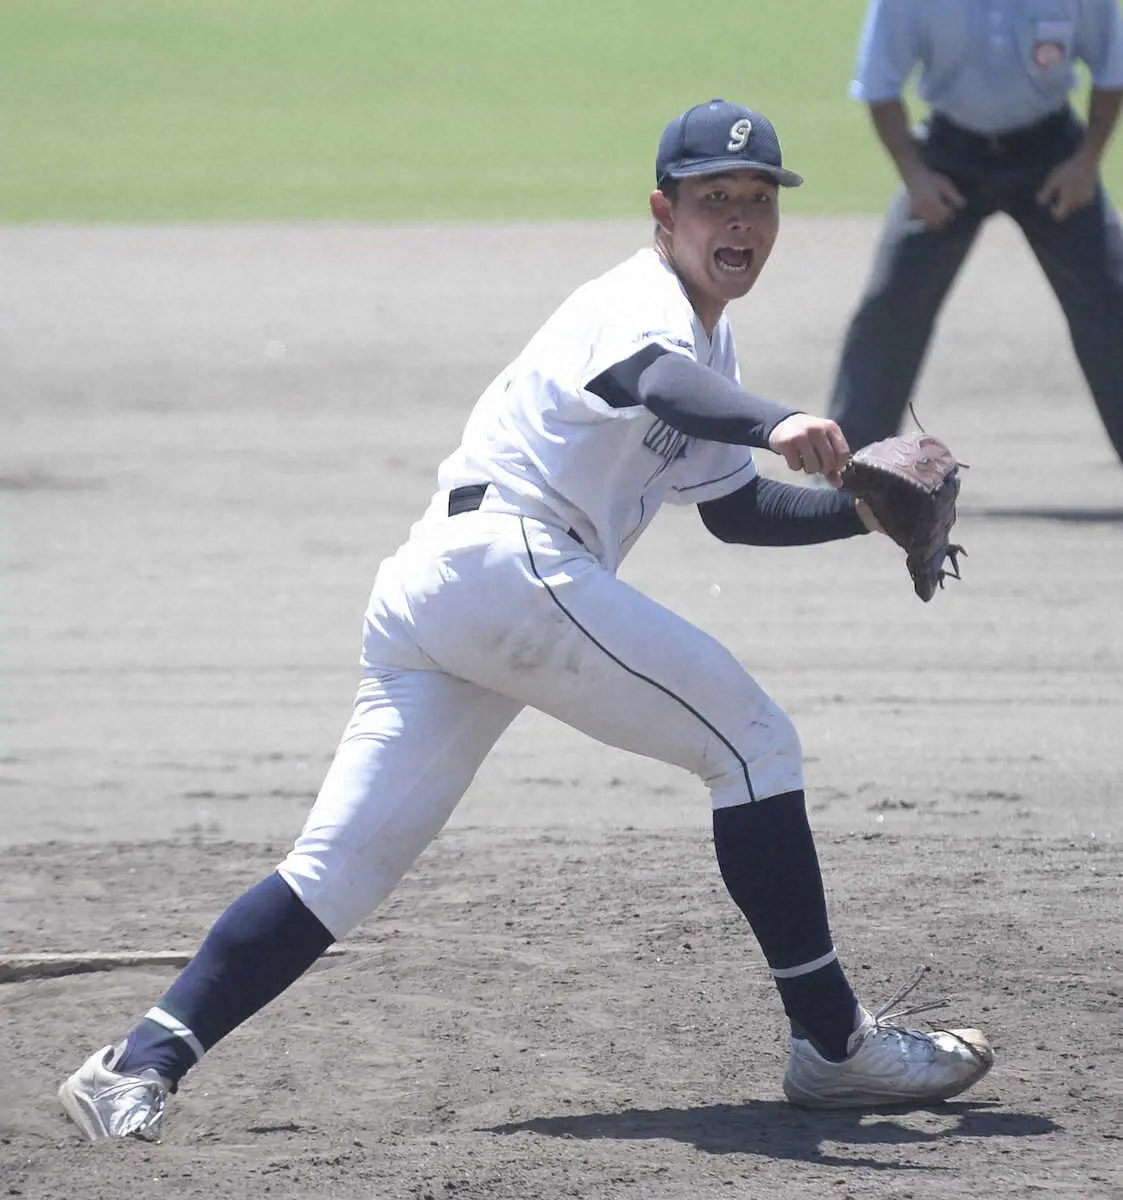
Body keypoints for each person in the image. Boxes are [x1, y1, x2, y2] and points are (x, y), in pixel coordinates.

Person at [58, 98, 993, 1143]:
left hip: (451, 592)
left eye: (758, 200)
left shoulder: (709, 340)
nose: (740, 219)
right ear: (663, 212)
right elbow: (657, 383)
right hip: (509, 565)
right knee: (753, 743)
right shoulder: (636, 304)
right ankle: (833, 1044)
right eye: (713, 199)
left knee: (343, 868)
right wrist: (778, 421)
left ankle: (134, 1067)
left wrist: (861, 515)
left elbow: (733, 510)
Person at [826, 0, 1123, 459]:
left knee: (1110, 297)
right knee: (891, 301)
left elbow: (1112, 70)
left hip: (1051, 153)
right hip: (949, 154)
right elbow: (879, 82)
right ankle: (850, 467)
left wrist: (1086, 163)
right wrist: (915, 177)